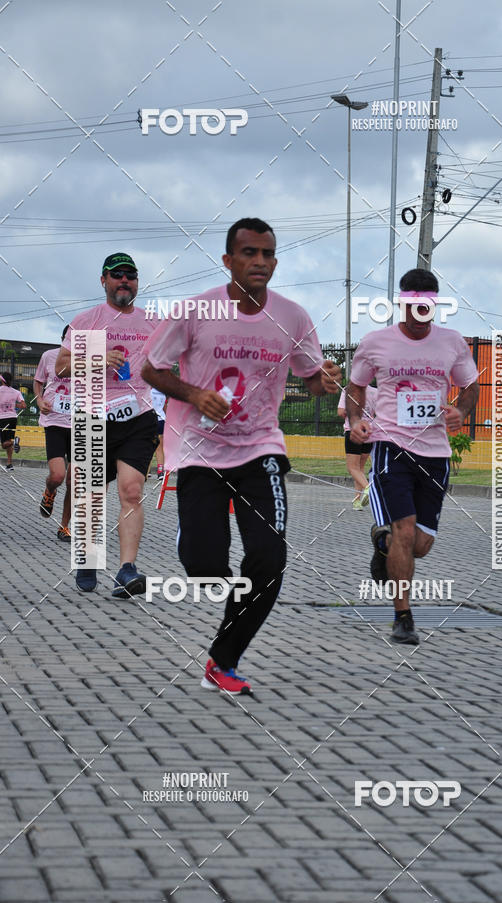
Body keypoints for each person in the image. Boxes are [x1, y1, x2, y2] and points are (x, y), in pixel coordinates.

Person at [141, 217, 341, 695]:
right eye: (249, 253)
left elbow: (311, 379)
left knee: (269, 558)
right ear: (228, 259)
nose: (260, 262)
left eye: (268, 254)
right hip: (198, 450)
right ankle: (193, 545)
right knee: (205, 566)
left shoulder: (292, 316)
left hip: (260, 448)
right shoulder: (195, 310)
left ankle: (223, 661)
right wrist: (193, 393)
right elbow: (151, 368)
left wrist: (326, 379)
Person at [346, 268, 479, 645]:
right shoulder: (376, 342)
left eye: (427, 306)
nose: (419, 312)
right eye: (412, 305)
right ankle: (403, 617)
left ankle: (382, 543)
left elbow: (470, 386)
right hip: (392, 446)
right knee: (405, 530)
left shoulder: (451, 342)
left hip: (435, 452)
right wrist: (357, 420)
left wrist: (462, 412)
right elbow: (356, 385)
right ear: (401, 302)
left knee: (419, 545)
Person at [55, 253, 159, 595]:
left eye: (131, 275)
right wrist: (97, 359)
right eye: (117, 276)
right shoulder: (87, 321)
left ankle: (127, 570)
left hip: (137, 417)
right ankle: (87, 559)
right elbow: (61, 367)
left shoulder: (152, 323)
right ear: (104, 281)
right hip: (93, 417)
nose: (125, 281)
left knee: (131, 490)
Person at [34, 325, 72, 541]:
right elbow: (38, 381)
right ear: (64, 339)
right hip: (55, 422)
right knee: (58, 476)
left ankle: (64, 526)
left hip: (81, 424)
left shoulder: (90, 361)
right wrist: (39, 399)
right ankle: (49, 492)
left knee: (75, 482)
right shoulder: (49, 356)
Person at [337, 384, 377, 510]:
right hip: (369, 431)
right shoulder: (375, 392)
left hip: (353, 431)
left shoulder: (348, 390)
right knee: (359, 467)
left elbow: (340, 412)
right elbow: (377, 413)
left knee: (352, 467)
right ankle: (357, 501)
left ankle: (368, 487)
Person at [0, 372, 26, 471]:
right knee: (8, 441)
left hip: (2, 418)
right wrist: (12, 405)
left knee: (4, 444)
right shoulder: (16, 392)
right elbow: (23, 406)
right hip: (12, 418)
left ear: (2, 380)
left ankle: (15, 441)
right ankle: (9, 464)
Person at [150, 387, 167, 477]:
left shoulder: (148, 392)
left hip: (151, 420)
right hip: (161, 420)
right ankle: (160, 472)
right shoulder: (163, 392)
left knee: (149, 447)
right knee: (160, 448)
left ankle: (146, 472)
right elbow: (164, 408)